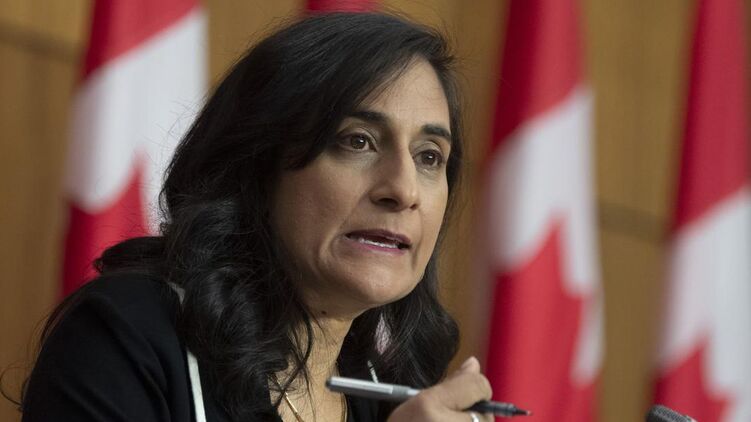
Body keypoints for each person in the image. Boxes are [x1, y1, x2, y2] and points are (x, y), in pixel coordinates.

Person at [20, 12, 493, 422]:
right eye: (358, 141)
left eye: (429, 156)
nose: (404, 190)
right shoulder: (128, 336)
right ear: (259, 165)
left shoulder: (385, 389)